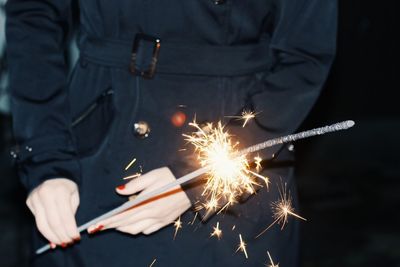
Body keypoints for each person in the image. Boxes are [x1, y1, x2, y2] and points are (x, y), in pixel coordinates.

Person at [6, 0, 337, 266]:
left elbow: (304, 55)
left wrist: (199, 178)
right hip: (91, 159)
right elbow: (34, 14)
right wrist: (46, 155)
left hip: (238, 161)